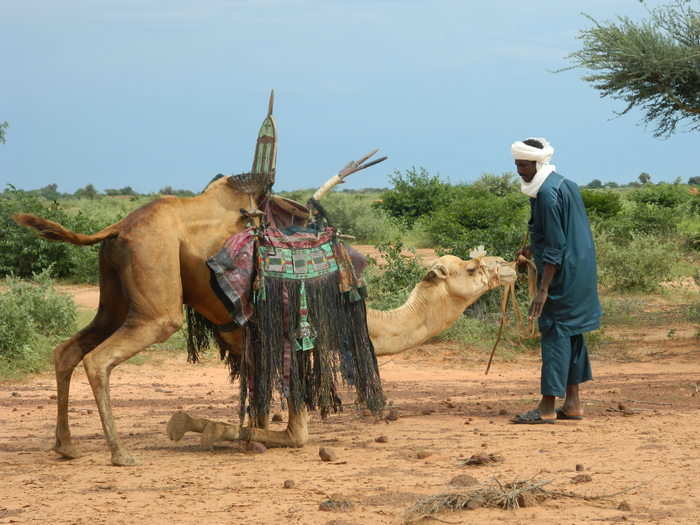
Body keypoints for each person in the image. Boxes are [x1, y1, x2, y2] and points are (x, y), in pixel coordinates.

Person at [510, 138, 601, 424]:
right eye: (516, 165)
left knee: (554, 331)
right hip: (581, 271)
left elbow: (555, 246)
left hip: (562, 276)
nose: (519, 171)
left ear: (537, 163)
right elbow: (557, 234)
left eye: (523, 165)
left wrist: (543, 289)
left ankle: (547, 407)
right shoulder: (563, 184)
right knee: (572, 334)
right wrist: (531, 250)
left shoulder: (547, 194)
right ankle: (573, 404)